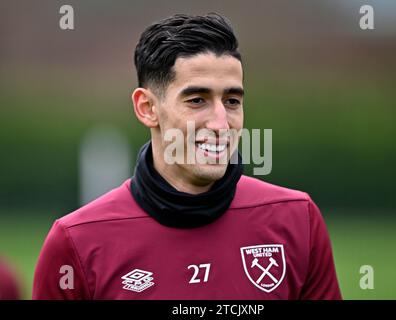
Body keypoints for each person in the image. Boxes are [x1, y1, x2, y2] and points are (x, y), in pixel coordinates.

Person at [33, 13, 341, 300]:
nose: (221, 123)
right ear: (147, 108)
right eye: (197, 100)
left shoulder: (298, 219)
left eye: (232, 100)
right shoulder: (76, 241)